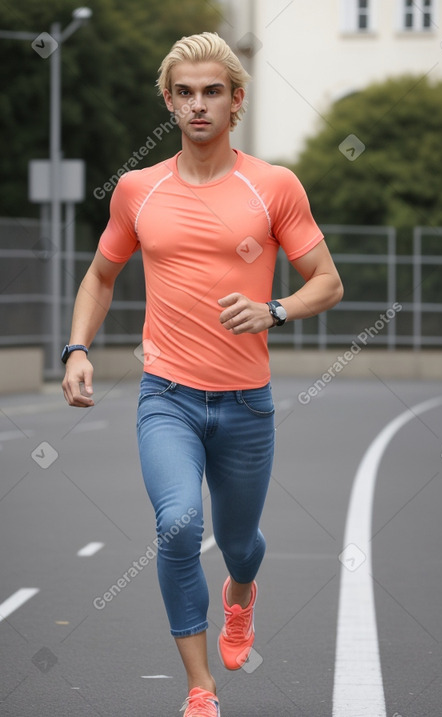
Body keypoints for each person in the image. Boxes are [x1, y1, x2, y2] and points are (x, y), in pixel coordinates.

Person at [62, 31, 343, 717]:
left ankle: (241, 593)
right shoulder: (137, 190)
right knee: (180, 524)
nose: (197, 105)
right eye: (184, 93)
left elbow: (329, 283)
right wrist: (76, 349)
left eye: (211, 91)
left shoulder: (273, 186)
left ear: (235, 99)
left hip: (246, 405)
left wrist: (273, 308)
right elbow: (101, 275)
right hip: (168, 398)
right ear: (168, 100)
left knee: (241, 542)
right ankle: (200, 687)